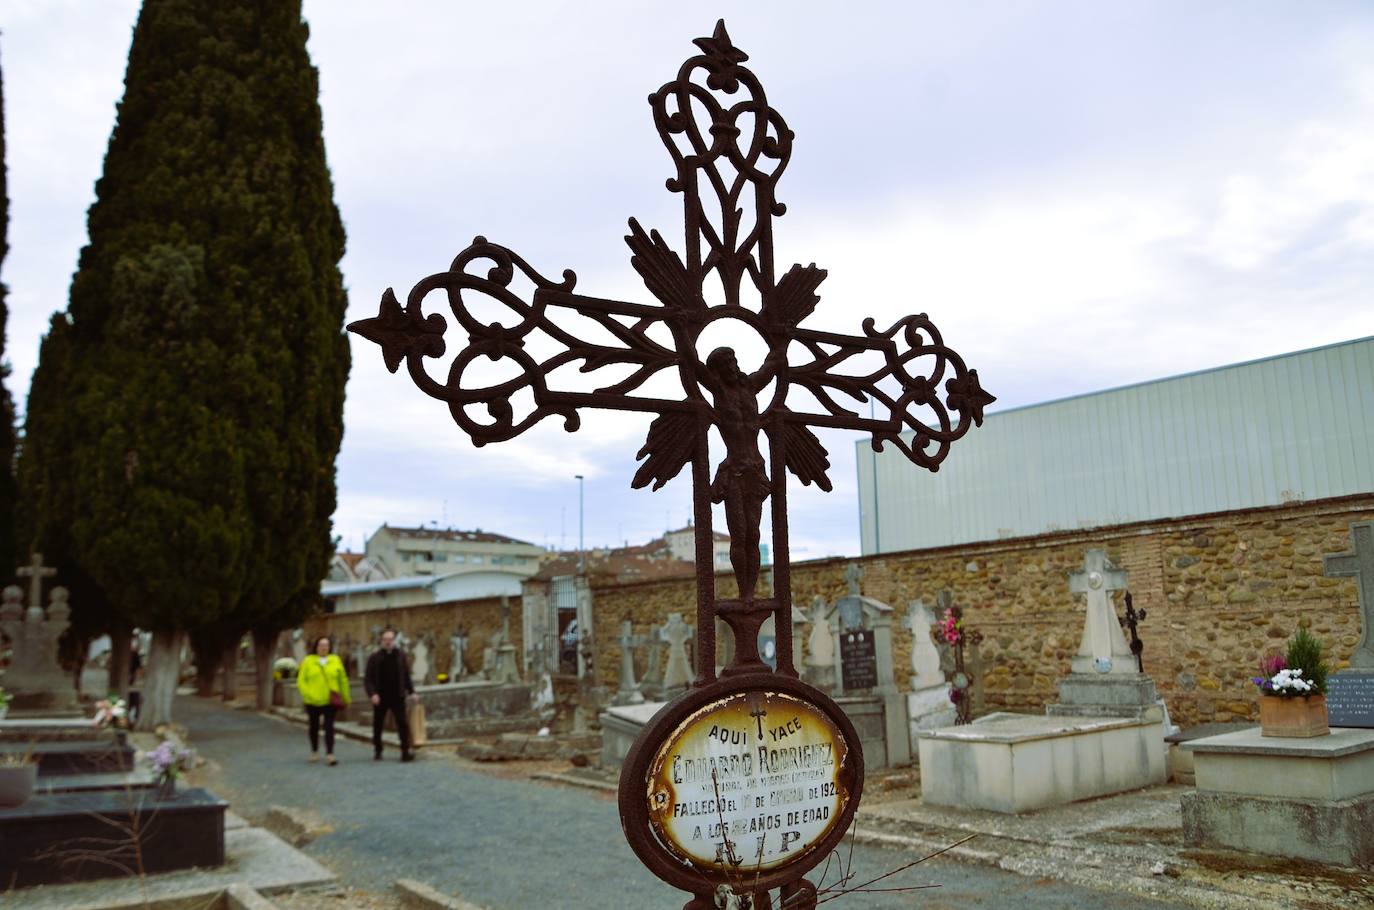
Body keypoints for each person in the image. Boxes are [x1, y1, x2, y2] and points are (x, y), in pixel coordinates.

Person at [296, 635, 350, 765]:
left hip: (330, 700)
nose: (324, 648)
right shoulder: (308, 661)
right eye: (321, 645)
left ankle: (330, 753)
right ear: (316, 647)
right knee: (313, 726)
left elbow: (342, 679)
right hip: (312, 700)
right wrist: (307, 694)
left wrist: (346, 697)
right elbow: (301, 680)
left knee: (329, 727)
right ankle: (314, 751)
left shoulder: (335, 660)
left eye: (326, 645)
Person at [364, 628, 415, 762]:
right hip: (380, 696)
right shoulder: (374, 658)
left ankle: (405, 751)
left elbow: (406, 675)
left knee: (402, 723)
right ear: (381, 641)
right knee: (378, 724)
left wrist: (412, 692)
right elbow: (368, 679)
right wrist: (372, 694)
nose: (388, 642)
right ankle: (378, 749)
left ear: (394, 641)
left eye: (390, 639)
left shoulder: (400, 656)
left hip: (397, 695)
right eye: (385, 639)